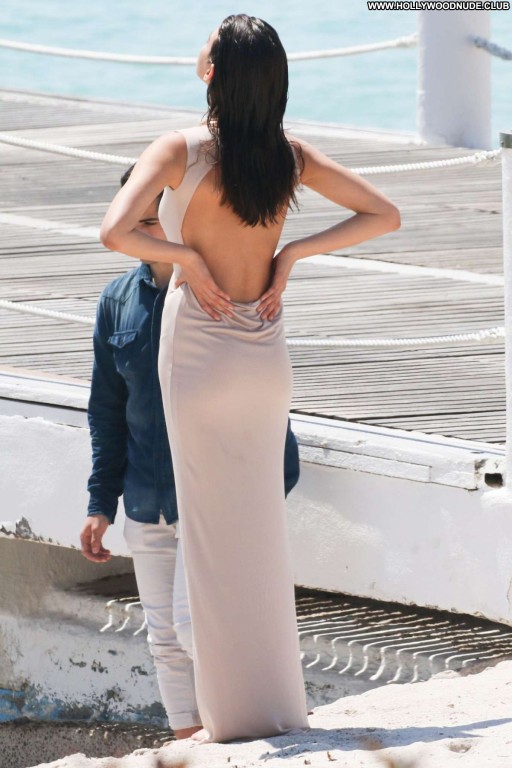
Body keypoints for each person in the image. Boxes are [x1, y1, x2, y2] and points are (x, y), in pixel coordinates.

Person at [99, 14, 400, 744]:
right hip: (265, 351)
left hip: (200, 345)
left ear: (214, 73)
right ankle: (274, 706)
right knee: (259, 533)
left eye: (205, 46)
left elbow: (114, 231)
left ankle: (226, 718)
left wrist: (186, 259)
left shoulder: (180, 149)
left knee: (206, 536)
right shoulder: (289, 156)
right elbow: (384, 214)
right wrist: (290, 255)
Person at [81, 165, 302, 740]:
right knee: (163, 638)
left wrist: (269, 483)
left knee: (191, 626)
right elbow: (107, 410)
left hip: (212, 497)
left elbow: (258, 396)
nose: (141, 231)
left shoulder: (225, 289)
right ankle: (191, 743)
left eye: (152, 219)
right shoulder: (116, 301)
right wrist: (100, 503)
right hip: (145, 500)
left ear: (178, 217)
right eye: (133, 220)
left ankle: (231, 732)